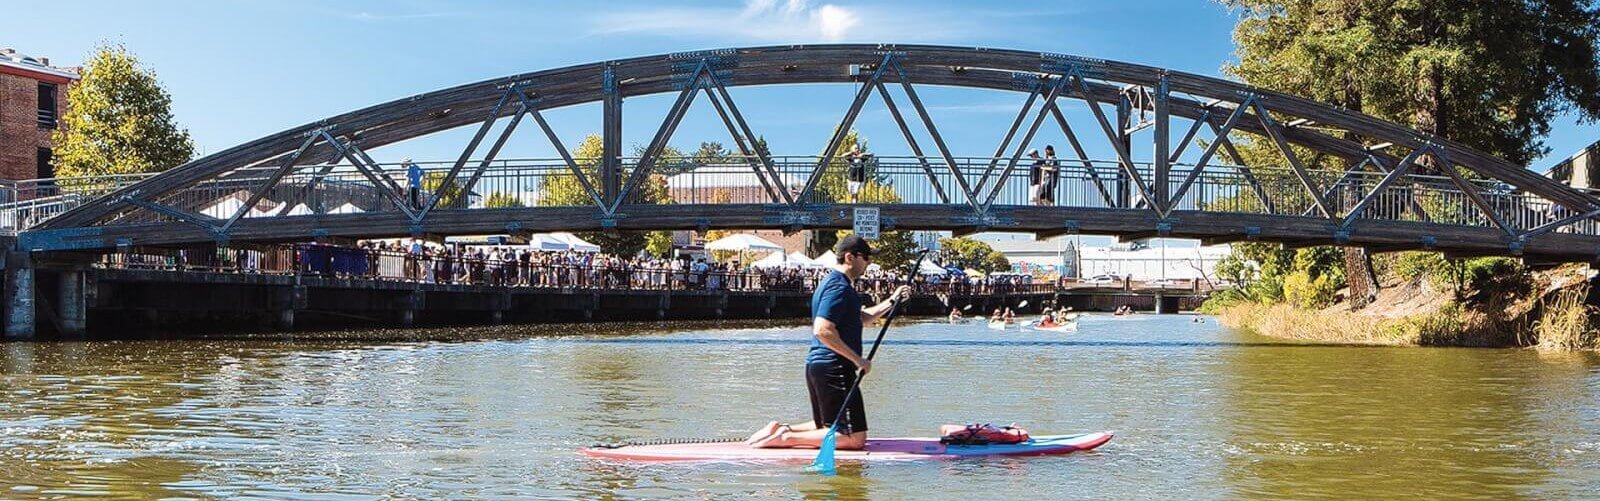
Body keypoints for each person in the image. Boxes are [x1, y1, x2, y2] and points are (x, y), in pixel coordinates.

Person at [747, 235, 911, 450]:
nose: (868, 262)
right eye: (866, 257)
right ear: (850, 257)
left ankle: (782, 428)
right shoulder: (839, 288)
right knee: (854, 438)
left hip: (820, 366)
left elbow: (862, 319)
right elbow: (823, 330)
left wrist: (892, 301)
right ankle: (785, 439)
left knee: (824, 425)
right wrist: (858, 360)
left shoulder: (836, 284)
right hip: (835, 367)